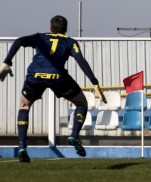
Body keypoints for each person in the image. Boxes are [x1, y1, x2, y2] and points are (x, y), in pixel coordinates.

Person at [0, 15, 107, 163]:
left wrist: (7, 62)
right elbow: (80, 60)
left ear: (50, 27)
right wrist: (94, 82)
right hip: (58, 77)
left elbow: (18, 41)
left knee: (24, 106)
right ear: (65, 29)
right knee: (81, 103)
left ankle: (22, 147)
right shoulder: (70, 41)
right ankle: (74, 135)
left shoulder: (39, 37)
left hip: (35, 75)